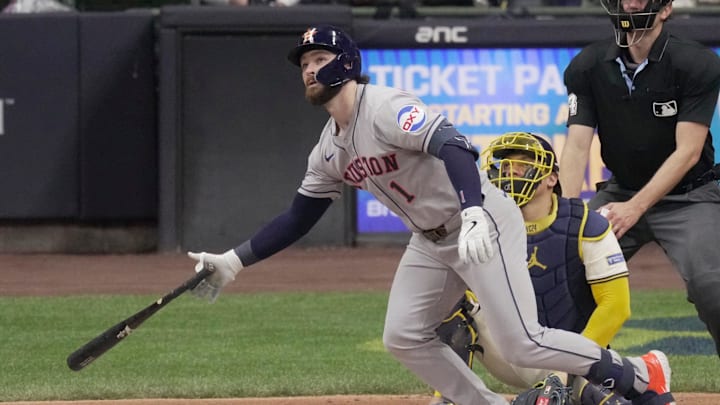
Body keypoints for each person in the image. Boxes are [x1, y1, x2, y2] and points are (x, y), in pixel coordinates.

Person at [187, 24, 675, 405]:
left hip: (481, 221)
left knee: (525, 342)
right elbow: (299, 216)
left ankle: (637, 374)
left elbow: (454, 145)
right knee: (402, 335)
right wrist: (234, 261)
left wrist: (476, 210)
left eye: (319, 58)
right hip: (431, 241)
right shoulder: (329, 149)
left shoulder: (385, 107)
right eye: (304, 63)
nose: (309, 69)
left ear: (348, 63)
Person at [560, 0, 720, 358]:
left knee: (714, 287)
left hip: (689, 196)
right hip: (621, 190)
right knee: (564, 269)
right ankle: (592, 375)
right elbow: (576, 147)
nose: (630, 1)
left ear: (664, 10)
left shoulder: (697, 63)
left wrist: (636, 207)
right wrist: (569, 214)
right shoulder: (587, 66)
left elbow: (688, 152)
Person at [430, 132, 632, 405]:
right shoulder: (485, 225)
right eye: (507, 165)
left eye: (523, 165)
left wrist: (566, 367)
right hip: (514, 353)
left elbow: (616, 307)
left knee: (595, 393)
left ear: (551, 178)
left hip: (577, 351)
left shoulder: (586, 224)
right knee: (450, 303)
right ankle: (446, 399)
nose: (512, 172)